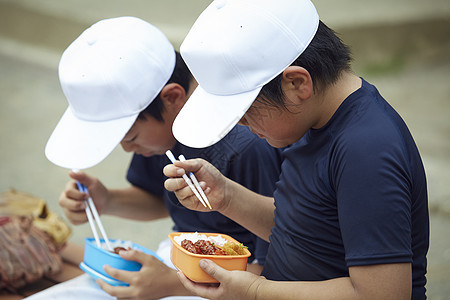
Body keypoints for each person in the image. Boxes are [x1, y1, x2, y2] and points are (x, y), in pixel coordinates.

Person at [163, 0, 429, 299]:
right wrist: (226, 196)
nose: (242, 125)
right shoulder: (309, 120)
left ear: (296, 83)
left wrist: (255, 291)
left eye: (247, 112)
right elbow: (306, 228)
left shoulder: (366, 150)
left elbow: (383, 294)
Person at [31, 16, 282, 299]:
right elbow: (161, 199)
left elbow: (275, 269)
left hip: (237, 281)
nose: (127, 149)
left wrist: (172, 285)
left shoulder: (246, 146)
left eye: (131, 138)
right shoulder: (163, 136)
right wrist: (107, 200)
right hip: (180, 262)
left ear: (172, 97)